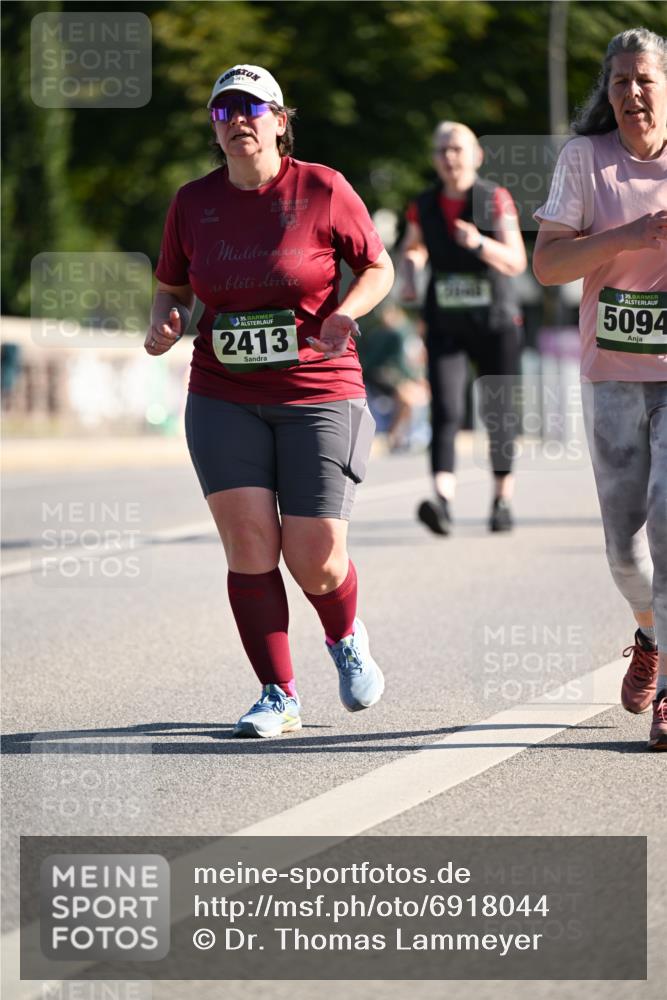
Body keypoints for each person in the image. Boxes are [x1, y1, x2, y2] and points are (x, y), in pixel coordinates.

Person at [145, 64, 394, 737]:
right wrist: (164, 320)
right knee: (249, 542)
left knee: (314, 554)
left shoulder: (322, 188)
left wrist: (346, 311)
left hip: (319, 388)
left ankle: (344, 636)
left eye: (252, 109)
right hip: (223, 392)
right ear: (214, 131)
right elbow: (171, 287)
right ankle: (278, 694)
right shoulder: (192, 203)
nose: (238, 121)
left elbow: (378, 267)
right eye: (223, 112)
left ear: (280, 122)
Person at [533, 28, 667, 751]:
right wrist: (630, 235)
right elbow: (548, 266)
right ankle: (650, 633)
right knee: (625, 552)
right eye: (620, 81)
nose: (632, 93)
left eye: (645, 79)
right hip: (611, 374)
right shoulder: (585, 160)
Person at [399, 121, 527, 535]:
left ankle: (502, 499)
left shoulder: (494, 198)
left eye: (457, 148)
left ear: (477, 155)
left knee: (498, 413)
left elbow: (516, 260)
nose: (449, 157)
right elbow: (413, 245)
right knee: (446, 408)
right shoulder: (423, 203)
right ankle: (442, 501)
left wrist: (478, 243)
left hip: (496, 321)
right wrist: (412, 265)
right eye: (442, 150)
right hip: (446, 322)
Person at [358, 303, 430, 452]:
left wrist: (418, 379)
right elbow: (374, 365)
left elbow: (412, 362)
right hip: (382, 378)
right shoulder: (380, 335)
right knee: (406, 398)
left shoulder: (406, 332)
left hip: (404, 379)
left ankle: (408, 435)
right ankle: (394, 435)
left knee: (418, 396)